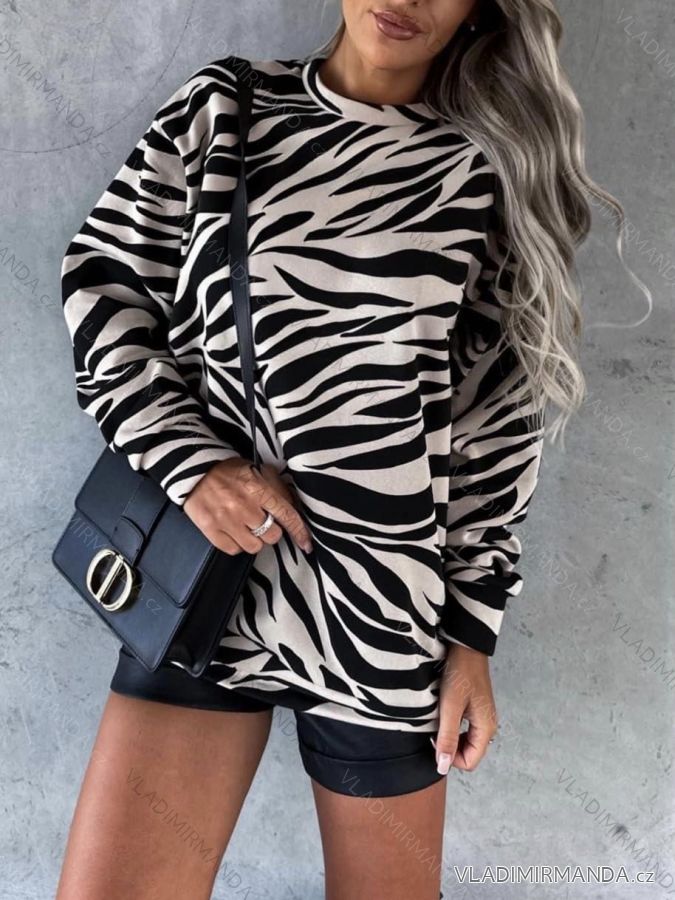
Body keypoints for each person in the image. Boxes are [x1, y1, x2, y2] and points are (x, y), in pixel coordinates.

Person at [55, 2, 630, 898]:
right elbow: (105, 289)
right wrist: (189, 463)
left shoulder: (483, 173)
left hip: (381, 611)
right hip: (204, 586)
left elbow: (495, 427)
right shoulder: (227, 108)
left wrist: (470, 632)